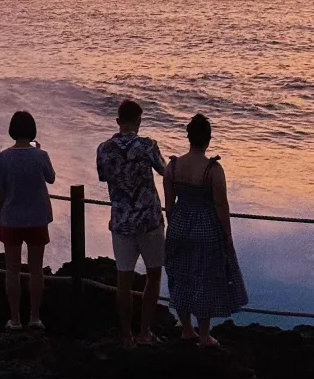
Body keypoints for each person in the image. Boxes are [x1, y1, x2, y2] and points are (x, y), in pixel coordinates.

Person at [163, 114, 247, 347]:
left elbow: (169, 204)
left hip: (179, 224)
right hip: (206, 227)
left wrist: (176, 224)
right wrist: (227, 237)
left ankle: (186, 329)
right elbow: (221, 205)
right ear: (208, 139)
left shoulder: (173, 166)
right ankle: (204, 335)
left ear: (188, 137)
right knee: (204, 280)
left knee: (180, 276)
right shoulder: (213, 169)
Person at [96, 99, 166, 348]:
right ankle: (145, 332)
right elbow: (164, 171)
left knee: (123, 281)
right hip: (149, 221)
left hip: (121, 221)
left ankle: (126, 336)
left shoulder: (104, 149)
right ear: (139, 121)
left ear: (118, 121)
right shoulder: (147, 146)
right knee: (153, 276)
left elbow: (104, 176)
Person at [0, 110, 55, 331]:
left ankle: (16, 319)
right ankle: (35, 318)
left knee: (12, 270)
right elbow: (51, 178)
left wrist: (1, 216)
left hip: (10, 218)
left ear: (12, 131)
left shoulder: (3, 157)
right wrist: (40, 152)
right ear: (32, 131)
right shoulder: (40, 155)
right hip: (37, 217)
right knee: (36, 269)